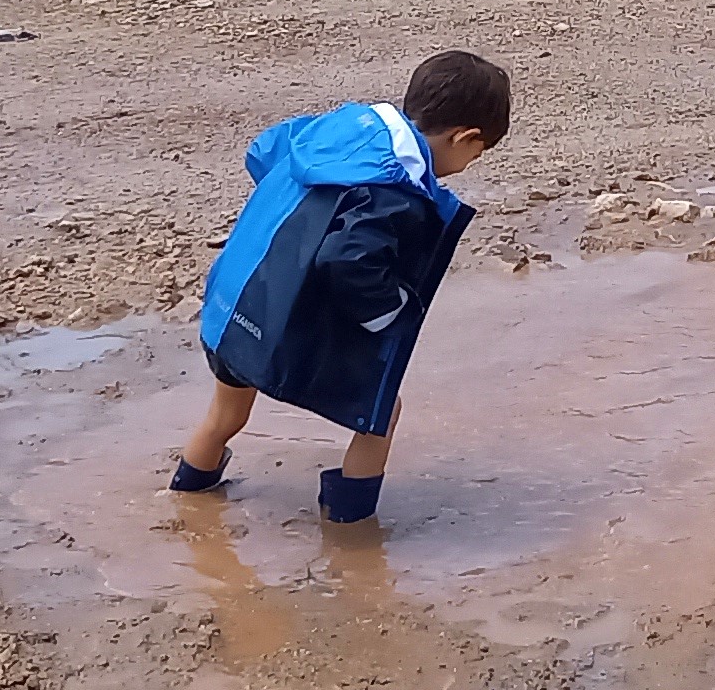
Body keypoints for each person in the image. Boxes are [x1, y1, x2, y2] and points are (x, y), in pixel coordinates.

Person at [171, 51, 509, 523]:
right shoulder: (392, 187)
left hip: (233, 304)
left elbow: (265, 150)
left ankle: (186, 501)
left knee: (226, 417)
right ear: (464, 137)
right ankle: (351, 531)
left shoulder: (344, 126)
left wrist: (297, 224)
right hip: (276, 331)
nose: (471, 163)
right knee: (382, 413)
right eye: (478, 153)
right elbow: (347, 260)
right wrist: (391, 311)